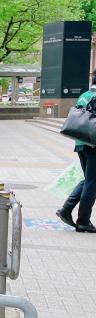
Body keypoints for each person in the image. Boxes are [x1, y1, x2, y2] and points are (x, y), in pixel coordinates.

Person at [57, 71, 96, 233]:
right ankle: (83, 221)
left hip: (80, 141)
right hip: (93, 143)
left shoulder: (85, 95)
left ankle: (66, 209)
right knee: (92, 183)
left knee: (89, 179)